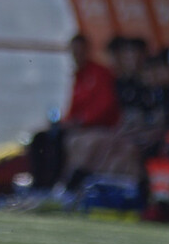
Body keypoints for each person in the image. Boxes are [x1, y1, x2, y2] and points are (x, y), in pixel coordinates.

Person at [27, 33, 120, 190]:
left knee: (61, 141)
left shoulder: (100, 73)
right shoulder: (78, 76)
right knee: (40, 138)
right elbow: (73, 109)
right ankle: (39, 185)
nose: (77, 55)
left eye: (80, 50)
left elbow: (105, 106)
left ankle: (56, 184)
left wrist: (81, 121)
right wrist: (65, 122)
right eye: (74, 51)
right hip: (78, 126)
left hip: (94, 127)